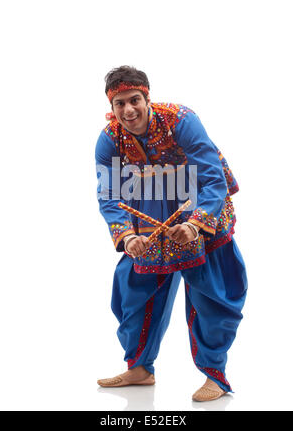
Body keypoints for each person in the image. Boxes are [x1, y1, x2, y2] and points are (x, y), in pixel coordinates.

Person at [95, 65, 247, 402]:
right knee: (134, 294)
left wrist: (195, 224)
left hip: (199, 208)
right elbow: (108, 194)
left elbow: (211, 177)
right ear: (112, 105)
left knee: (211, 294)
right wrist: (125, 236)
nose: (128, 110)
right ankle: (140, 367)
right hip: (148, 215)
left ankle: (215, 376)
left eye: (134, 100)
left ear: (147, 97)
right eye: (119, 103)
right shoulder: (108, 139)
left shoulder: (181, 120)